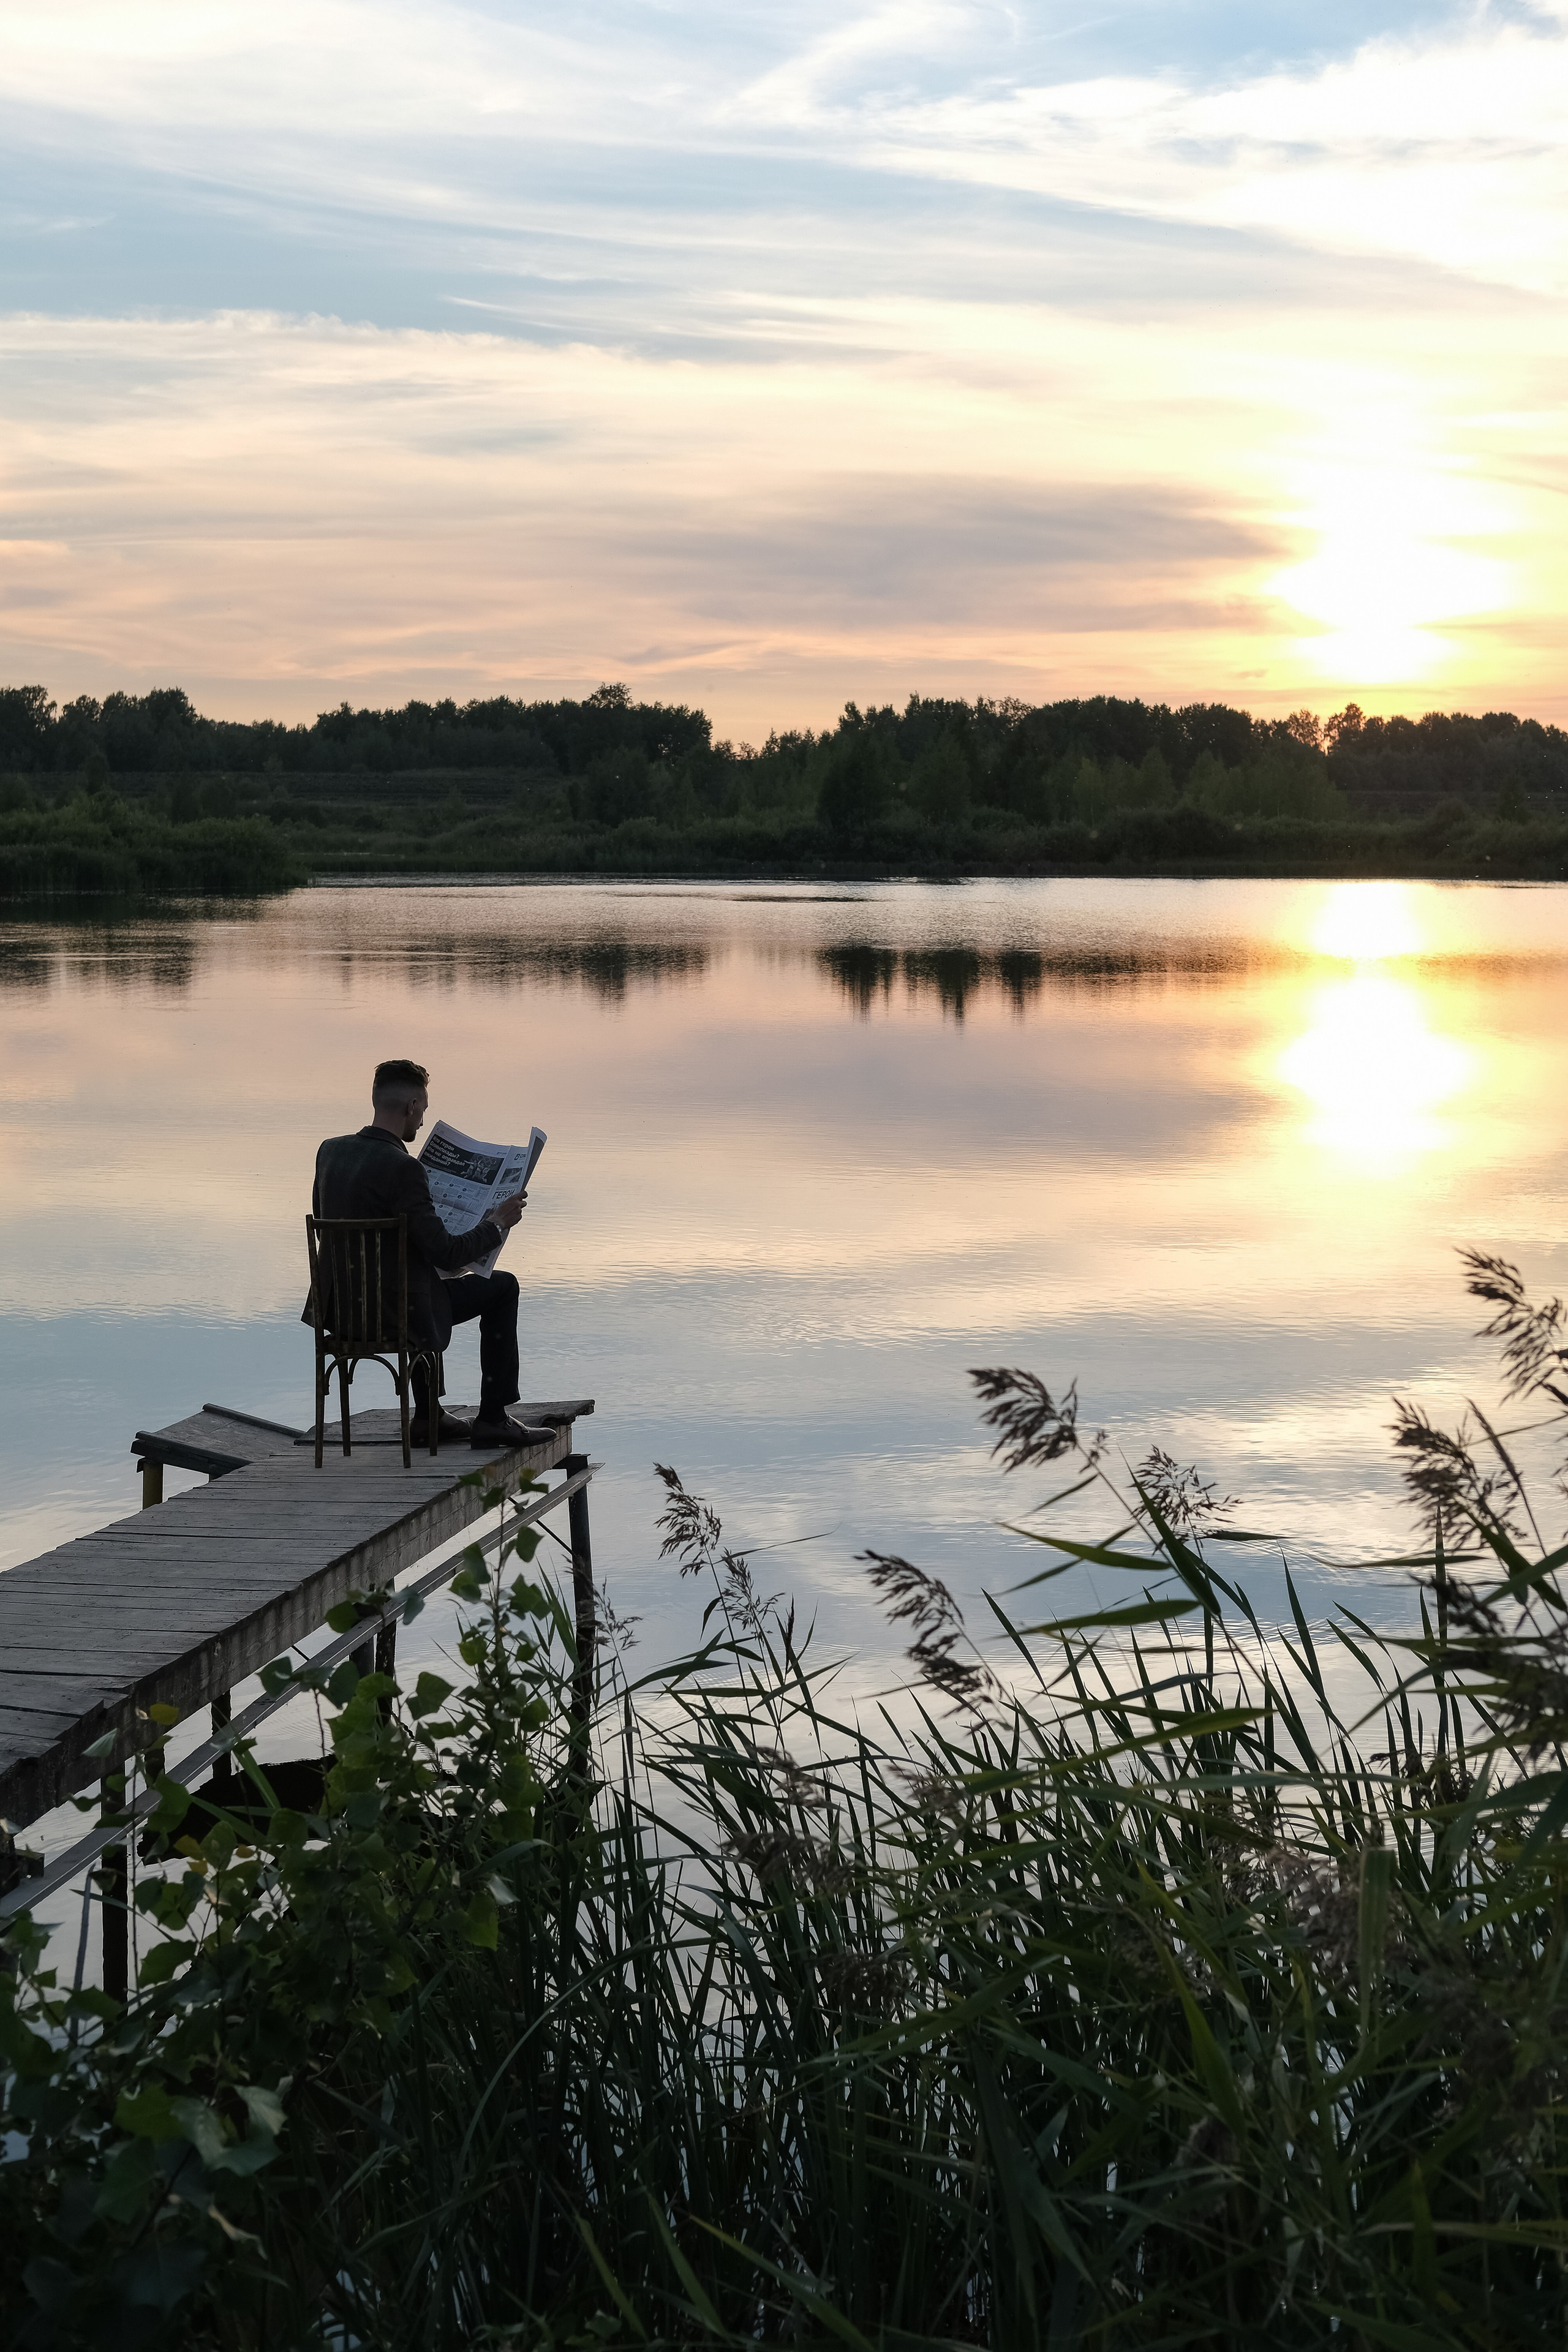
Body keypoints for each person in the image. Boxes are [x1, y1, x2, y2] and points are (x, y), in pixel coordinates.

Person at [307, 1058, 538, 1449]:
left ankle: (430, 1416)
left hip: (341, 1312)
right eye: (423, 1110)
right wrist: (496, 1223)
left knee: (420, 1281)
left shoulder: (330, 1153)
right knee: (502, 1287)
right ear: (412, 1106)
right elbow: (447, 1253)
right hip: (398, 1317)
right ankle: (494, 1419)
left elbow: (332, 1218)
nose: (421, 1121)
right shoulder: (405, 1169)